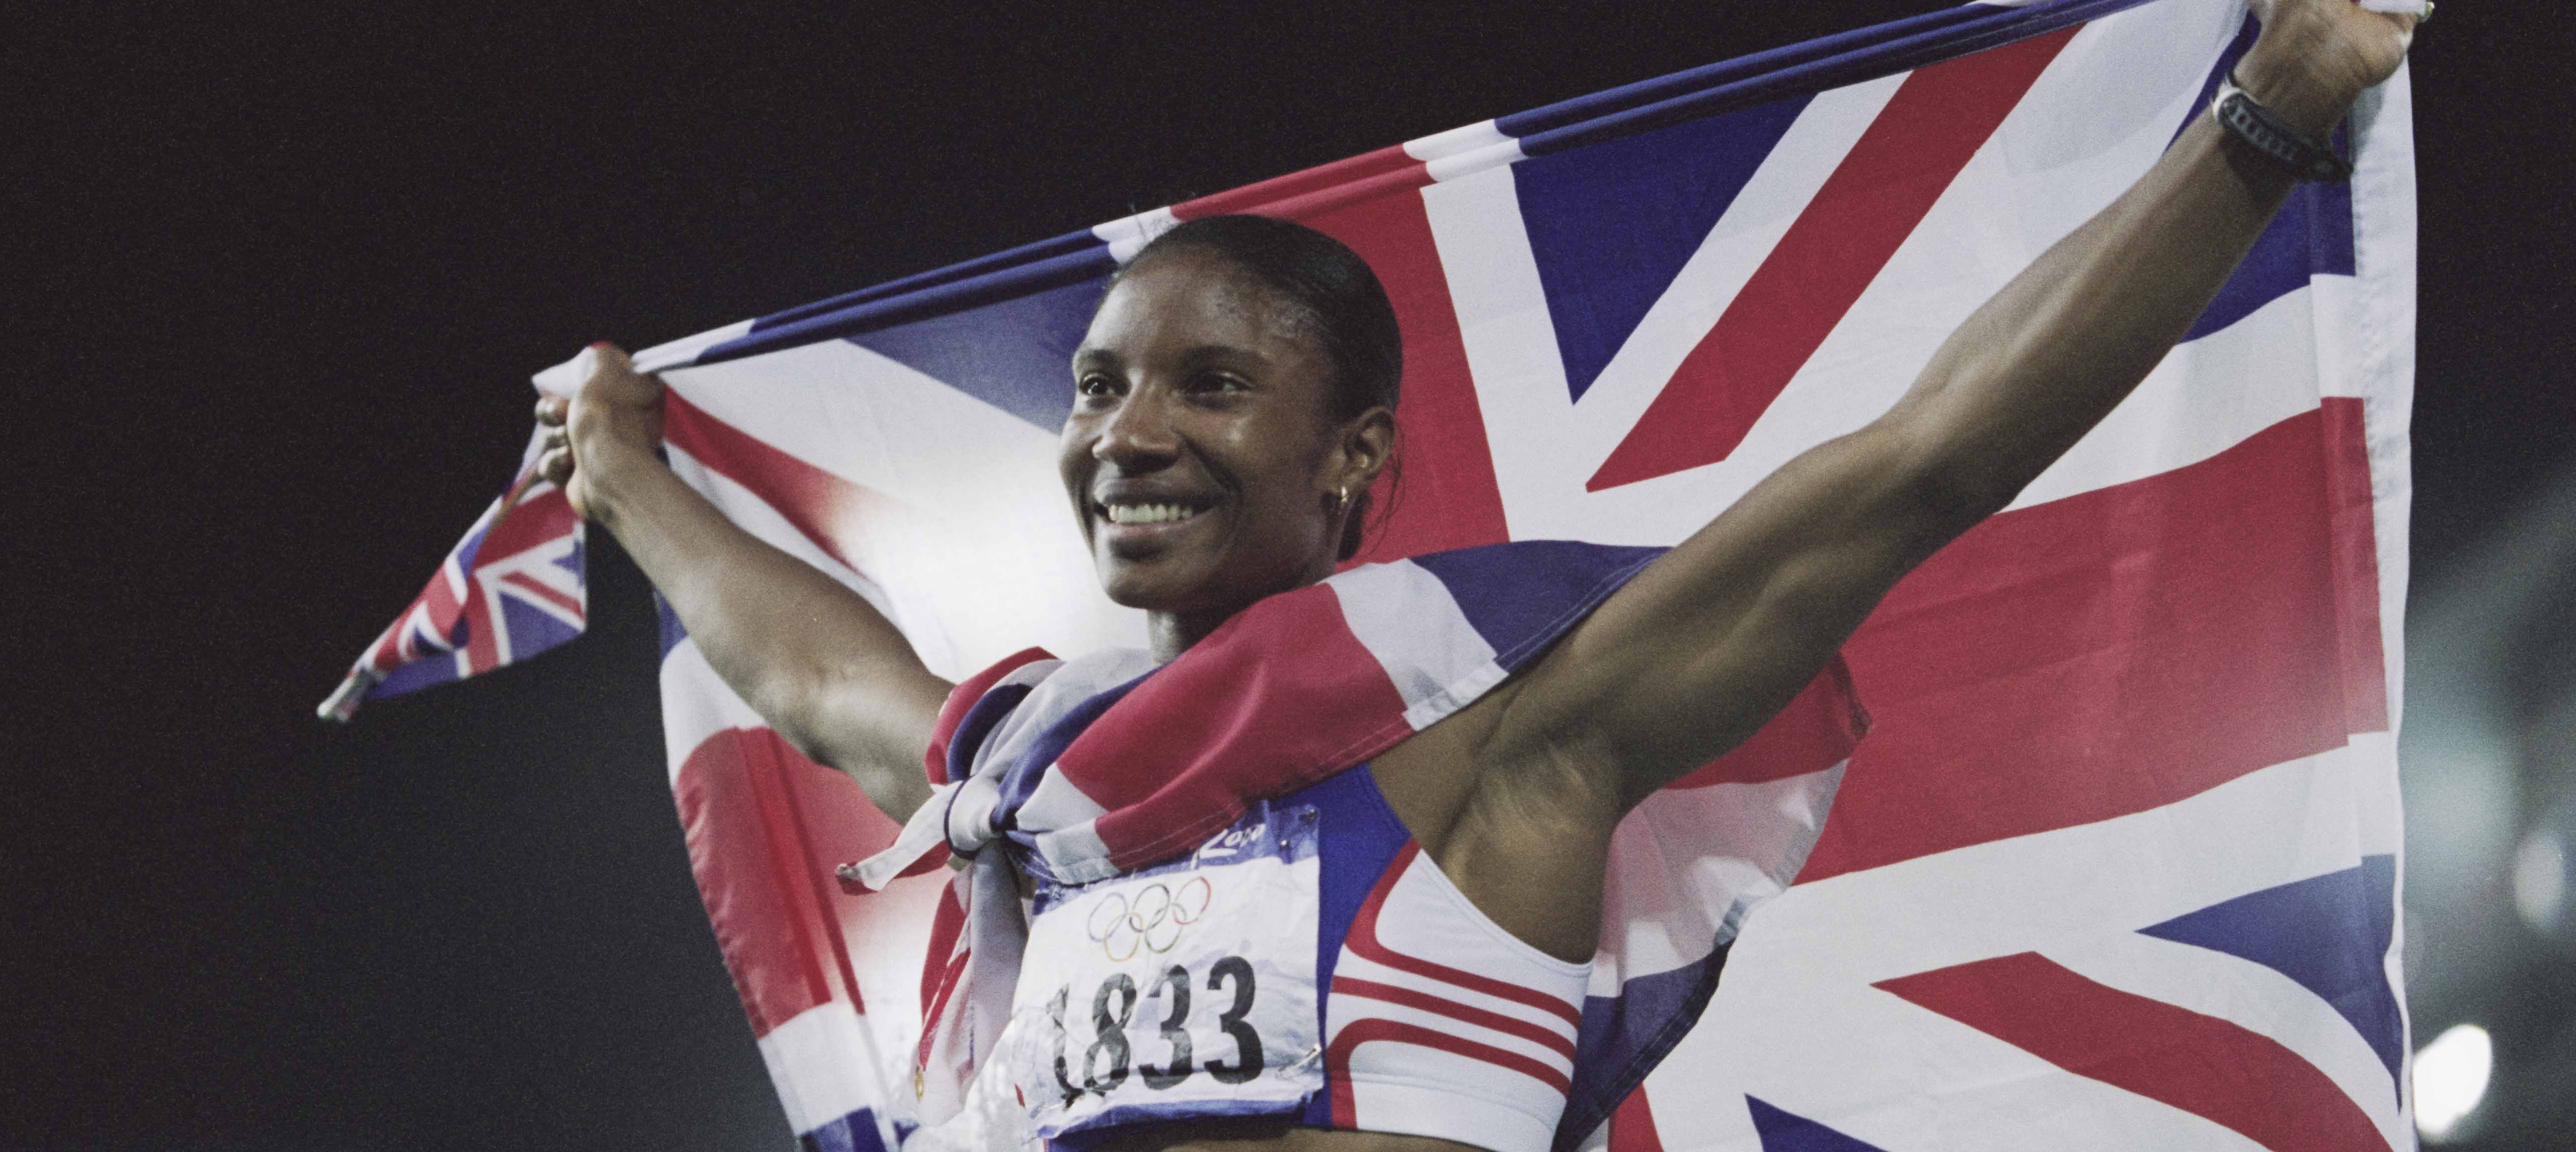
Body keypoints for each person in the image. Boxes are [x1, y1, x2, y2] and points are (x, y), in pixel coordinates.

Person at [536, 2, 2420, 1149]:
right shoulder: (1019, 787)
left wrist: (2263, 124)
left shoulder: (1512, 754)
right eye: (1101, 385)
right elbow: (806, 670)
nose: (1129, 432)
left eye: (1212, 383)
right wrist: (620, 468)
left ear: (1351, 455)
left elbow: (1911, 464)